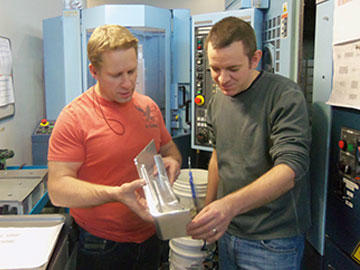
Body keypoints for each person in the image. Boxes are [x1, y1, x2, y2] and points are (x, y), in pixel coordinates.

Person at [47, 24, 182, 270]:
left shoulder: (148, 107)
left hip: (151, 235)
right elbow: (58, 189)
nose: (127, 83)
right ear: (94, 71)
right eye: (116, 75)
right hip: (101, 245)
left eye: (132, 71)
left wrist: (173, 161)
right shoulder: (74, 117)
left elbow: (169, 150)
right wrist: (115, 194)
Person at [186, 17, 311, 270]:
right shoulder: (218, 100)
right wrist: (210, 209)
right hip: (228, 232)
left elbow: (289, 171)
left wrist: (228, 206)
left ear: (255, 59)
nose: (222, 79)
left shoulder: (284, 96)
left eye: (233, 69)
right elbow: (218, 157)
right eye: (215, 69)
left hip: (272, 241)